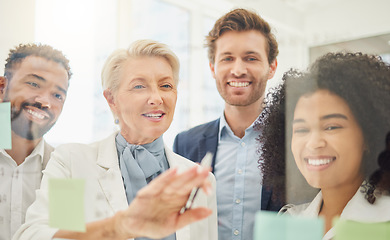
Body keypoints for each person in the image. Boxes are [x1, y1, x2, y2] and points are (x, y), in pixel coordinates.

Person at [13, 39, 218, 240]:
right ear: (111, 99)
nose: (157, 98)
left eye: (166, 85)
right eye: (139, 86)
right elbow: (38, 235)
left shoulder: (200, 181)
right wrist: (118, 228)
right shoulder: (74, 164)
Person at [173, 8, 281, 240]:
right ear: (213, 67)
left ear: (271, 67)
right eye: (227, 58)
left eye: (250, 58)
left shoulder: (295, 141)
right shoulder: (185, 143)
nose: (238, 70)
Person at [258, 52, 390, 240]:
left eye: (331, 127)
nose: (313, 143)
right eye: (302, 129)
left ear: (370, 135)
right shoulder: (288, 221)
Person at [0, 43, 71, 240]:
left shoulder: (68, 171)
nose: (44, 102)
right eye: (34, 84)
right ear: (2, 87)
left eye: (57, 95)